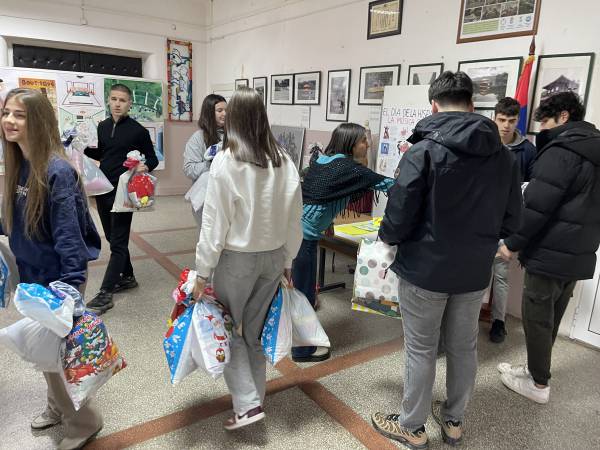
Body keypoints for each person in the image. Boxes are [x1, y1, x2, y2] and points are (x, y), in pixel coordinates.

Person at [371, 72, 522, 449]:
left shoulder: (423, 151)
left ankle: (412, 427)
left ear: (434, 106)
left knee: (421, 348)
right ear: (472, 105)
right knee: (464, 346)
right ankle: (453, 421)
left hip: (424, 269)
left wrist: (386, 240)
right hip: (474, 270)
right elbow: (512, 220)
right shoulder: (504, 156)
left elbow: (399, 214)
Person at [191, 88, 302, 430]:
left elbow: (214, 224)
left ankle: (248, 405)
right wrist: (289, 260)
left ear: (234, 119)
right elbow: (294, 218)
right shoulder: (284, 160)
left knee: (226, 329)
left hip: (237, 261)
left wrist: (202, 272)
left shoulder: (227, 160)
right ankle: (255, 400)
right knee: (252, 334)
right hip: (272, 259)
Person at [0, 88, 103, 450]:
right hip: (32, 274)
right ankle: (57, 408)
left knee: (58, 357)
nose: (9, 120)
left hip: (59, 280)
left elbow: (69, 237)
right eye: (6, 113)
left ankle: (85, 422)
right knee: (46, 353)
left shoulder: (57, 171)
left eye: (20, 115)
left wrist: (70, 290)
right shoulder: (20, 163)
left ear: (39, 121)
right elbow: (14, 219)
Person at [498, 92, 600, 404]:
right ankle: (534, 371)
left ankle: (538, 384)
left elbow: (537, 206)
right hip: (579, 252)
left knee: (537, 318)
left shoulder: (563, 151)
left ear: (564, 116)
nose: (542, 128)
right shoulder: (594, 147)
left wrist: (512, 243)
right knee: (551, 318)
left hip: (551, 252)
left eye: (545, 121)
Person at [292, 122, 394, 362]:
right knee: (304, 295)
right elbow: (389, 185)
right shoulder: (348, 168)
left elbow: (319, 195)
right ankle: (302, 351)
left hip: (295, 232)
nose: (367, 144)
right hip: (304, 239)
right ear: (350, 143)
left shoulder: (323, 161)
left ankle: (301, 342)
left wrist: (326, 222)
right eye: (363, 140)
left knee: (301, 292)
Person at [84, 84, 158, 313]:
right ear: (109, 100)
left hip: (124, 192)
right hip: (103, 189)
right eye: (114, 99)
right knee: (111, 236)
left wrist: (146, 166)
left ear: (129, 104)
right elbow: (102, 153)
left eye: (122, 100)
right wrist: (81, 146)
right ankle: (128, 277)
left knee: (118, 242)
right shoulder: (103, 126)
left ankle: (105, 293)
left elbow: (153, 158)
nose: (117, 104)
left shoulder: (138, 131)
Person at [489, 97, 537, 343]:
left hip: (506, 223)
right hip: (479, 219)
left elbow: (533, 187)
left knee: (500, 274)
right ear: (494, 118)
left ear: (518, 120)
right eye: (502, 120)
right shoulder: (483, 142)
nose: (506, 125)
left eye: (511, 120)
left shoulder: (527, 150)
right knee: (474, 272)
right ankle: (465, 319)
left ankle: (498, 322)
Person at [183, 94, 227, 227]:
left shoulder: (234, 135)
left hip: (227, 195)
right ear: (209, 113)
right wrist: (212, 163)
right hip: (206, 196)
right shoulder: (198, 138)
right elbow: (189, 169)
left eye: (226, 110)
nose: (225, 114)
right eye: (219, 110)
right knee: (207, 233)